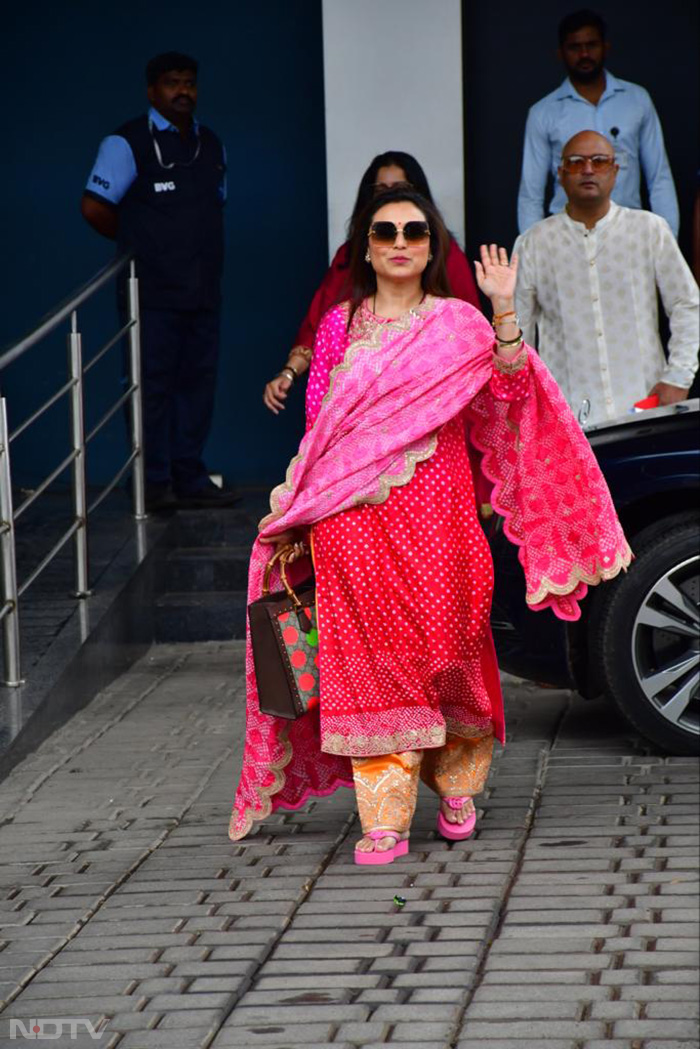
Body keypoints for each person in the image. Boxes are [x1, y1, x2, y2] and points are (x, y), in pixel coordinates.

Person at [229, 185, 631, 861]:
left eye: (414, 231)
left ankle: (456, 785)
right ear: (365, 244)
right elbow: (323, 423)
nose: (398, 242)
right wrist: (303, 507)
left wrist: (503, 305)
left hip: (441, 518)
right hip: (353, 523)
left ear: (431, 244)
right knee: (367, 666)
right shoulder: (340, 325)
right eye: (384, 231)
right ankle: (383, 819)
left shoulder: (459, 324)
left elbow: (509, 387)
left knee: (451, 652)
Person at [81, 51, 238, 512]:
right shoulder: (126, 142)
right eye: (172, 83)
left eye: (189, 82)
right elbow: (94, 207)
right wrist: (139, 241)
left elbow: (216, 205)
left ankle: (189, 475)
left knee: (198, 385)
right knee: (152, 387)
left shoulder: (210, 144)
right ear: (153, 90)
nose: (182, 91)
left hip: (204, 289)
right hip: (150, 293)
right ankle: (153, 482)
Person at [263, 151, 481, 414]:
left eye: (400, 189)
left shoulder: (452, 288)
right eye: (381, 190)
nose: (399, 243)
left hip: (437, 426)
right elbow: (317, 321)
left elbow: (475, 352)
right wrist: (289, 372)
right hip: (361, 430)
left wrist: (504, 309)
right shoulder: (340, 303)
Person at [514, 130, 699, 427]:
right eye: (576, 162)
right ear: (560, 174)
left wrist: (678, 376)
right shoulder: (534, 242)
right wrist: (529, 403)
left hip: (644, 404)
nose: (588, 170)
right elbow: (519, 332)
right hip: (567, 416)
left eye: (599, 162)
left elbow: (686, 304)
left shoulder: (649, 229)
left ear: (615, 171)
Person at [517, 9, 679, 237]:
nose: (584, 54)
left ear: (605, 47)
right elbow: (530, 193)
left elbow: (659, 178)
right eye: (575, 47)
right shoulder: (543, 112)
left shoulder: (636, 100)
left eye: (591, 45)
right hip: (566, 236)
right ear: (560, 53)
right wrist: (530, 251)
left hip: (630, 233)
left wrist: (667, 241)